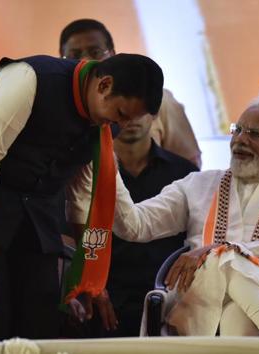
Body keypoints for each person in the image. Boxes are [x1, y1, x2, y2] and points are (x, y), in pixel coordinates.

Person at [0, 53, 164, 340]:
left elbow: (81, 196)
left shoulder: (105, 119)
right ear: (104, 85)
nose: (120, 126)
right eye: (121, 115)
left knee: (40, 319)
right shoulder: (31, 79)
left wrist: (89, 276)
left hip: (28, 203)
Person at [87, 98, 259, 337]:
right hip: (200, 297)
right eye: (238, 130)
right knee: (234, 309)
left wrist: (223, 250)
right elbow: (134, 225)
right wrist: (108, 167)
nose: (241, 139)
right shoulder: (197, 184)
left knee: (236, 305)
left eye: (255, 134)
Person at [92, 98, 199, 336]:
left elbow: (196, 238)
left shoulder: (185, 175)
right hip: (107, 297)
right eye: (123, 112)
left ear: (154, 114)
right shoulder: (89, 171)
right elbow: (72, 236)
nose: (131, 119)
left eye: (140, 110)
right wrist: (90, 286)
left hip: (170, 297)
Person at [59, 19, 202, 168]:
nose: (86, 61)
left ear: (112, 54)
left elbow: (188, 166)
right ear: (60, 60)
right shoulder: (57, 103)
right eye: (75, 55)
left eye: (95, 52)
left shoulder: (159, 99)